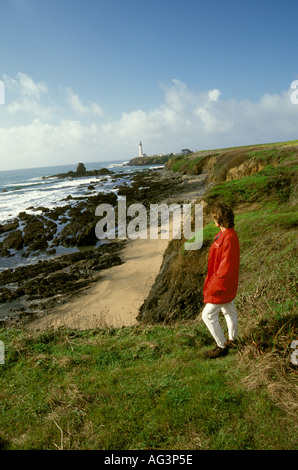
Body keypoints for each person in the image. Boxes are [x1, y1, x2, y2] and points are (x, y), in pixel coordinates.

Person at [201, 204, 240, 358]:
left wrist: (213, 285)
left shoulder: (229, 237)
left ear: (220, 219)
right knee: (229, 310)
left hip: (221, 284)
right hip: (224, 282)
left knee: (208, 316)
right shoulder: (225, 234)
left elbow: (226, 266)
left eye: (215, 218)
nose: (213, 220)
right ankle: (233, 340)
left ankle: (221, 346)